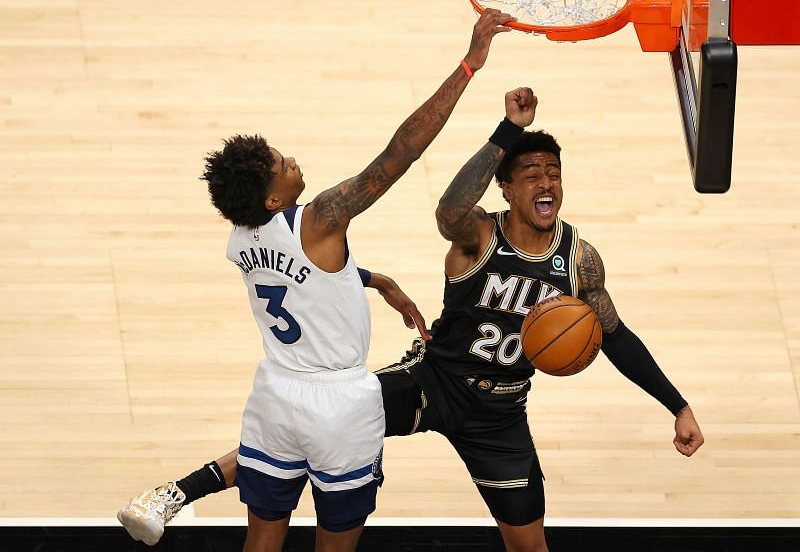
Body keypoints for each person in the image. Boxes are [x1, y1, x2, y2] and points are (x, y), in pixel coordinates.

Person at [120, 91, 705, 552]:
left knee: (529, 542)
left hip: (500, 412)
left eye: (552, 172)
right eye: (530, 173)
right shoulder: (478, 232)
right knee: (308, 436)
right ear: (505, 187)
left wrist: (675, 404)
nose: (545, 182)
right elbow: (447, 205)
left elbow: (615, 336)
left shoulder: (580, 259)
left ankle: (173, 494)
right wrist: (506, 134)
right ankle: (179, 491)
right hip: (433, 379)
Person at [116, 8, 516, 552]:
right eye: (283, 164)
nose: (294, 160)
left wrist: (373, 279)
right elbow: (400, 154)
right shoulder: (320, 216)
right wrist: (470, 64)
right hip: (341, 405)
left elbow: (305, 281)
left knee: (261, 540)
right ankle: (175, 494)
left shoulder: (241, 237)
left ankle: (174, 494)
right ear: (276, 198)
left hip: (276, 394)